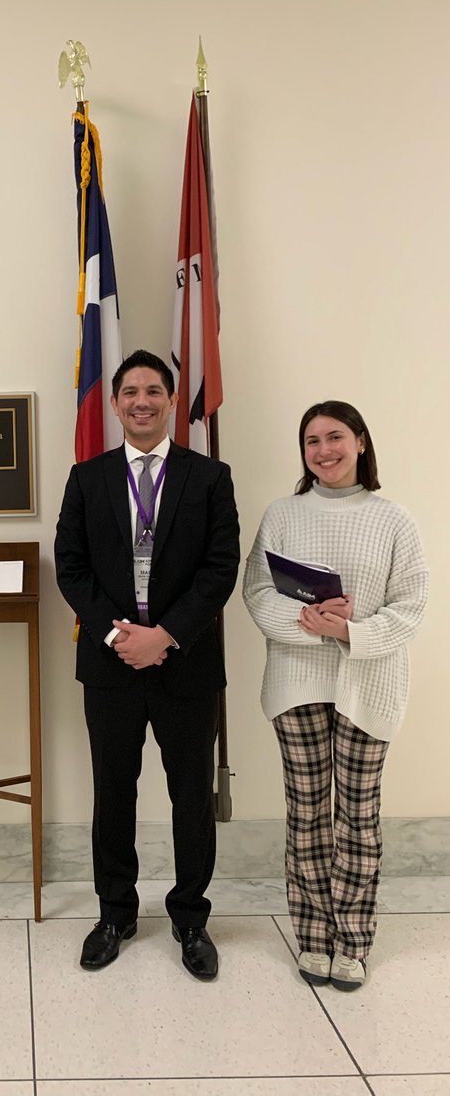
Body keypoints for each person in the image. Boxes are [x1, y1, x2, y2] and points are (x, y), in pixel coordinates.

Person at [55, 349, 240, 978]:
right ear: (114, 403)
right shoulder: (87, 477)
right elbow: (71, 567)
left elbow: (220, 571)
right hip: (110, 667)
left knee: (191, 796)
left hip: (185, 665)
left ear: (169, 400)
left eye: (154, 391)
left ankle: (191, 918)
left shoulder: (210, 477)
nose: (142, 401)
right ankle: (116, 913)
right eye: (130, 391)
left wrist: (164, 636)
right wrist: (119, 637)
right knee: (114, 794)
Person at [243, 400, 428, 991]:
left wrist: (348, 629)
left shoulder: (394, 519)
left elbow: (411, 606)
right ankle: (313, 937)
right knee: (306, 817)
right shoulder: (281, 514)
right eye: (312, 441)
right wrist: (308, 618)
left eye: (335, 437)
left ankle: (353, 941)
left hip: (367, 682)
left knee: (357, 820)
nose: (324, 450)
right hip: (297, 679)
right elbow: (256, 590)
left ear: (362, 443)